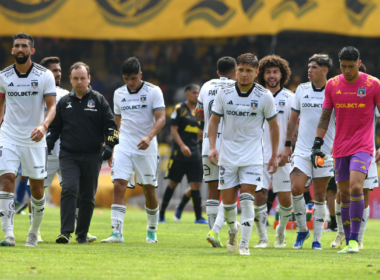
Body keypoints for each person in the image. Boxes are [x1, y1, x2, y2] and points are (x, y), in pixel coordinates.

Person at [208, 53, 279, 255]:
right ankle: (233, 229)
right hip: (227, 156)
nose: (244, 74)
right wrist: (213, 147)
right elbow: (213, 121)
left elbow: (274, 126)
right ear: (236, 71)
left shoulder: (264, 96)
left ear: (257, 72)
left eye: (249, 71)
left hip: (252, 157)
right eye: (241, 70)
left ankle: (244, 245)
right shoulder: (224, 92)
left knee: (248, 200)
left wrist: (274, 154)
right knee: (229, 206)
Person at [313, 50, 380, 253]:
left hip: (363, 147)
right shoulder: (332, 85)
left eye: (351, 66)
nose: (347, 70)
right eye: (343, 66)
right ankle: (347, 236)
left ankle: (354, 240)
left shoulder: (373, 84)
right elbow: (325, 116)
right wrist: (317, 142)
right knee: (343, 194)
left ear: (359, 63)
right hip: (340, 147)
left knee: (357, 187)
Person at [47, 62, 118, 244]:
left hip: (93, 155)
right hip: (69, 155)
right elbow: (55, 129)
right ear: (70, 80)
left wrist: (109, 147)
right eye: (76, 78)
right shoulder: (64, 103)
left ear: (89, 79)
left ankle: (82, 235)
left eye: (83, 78)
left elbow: (111, 127)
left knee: (87, 196)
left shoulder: (99, 100)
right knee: (69, 188)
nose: (79, 82)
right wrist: (47, 145)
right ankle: (65, 233)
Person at [0, 33, 57, 247]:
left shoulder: (44, 75)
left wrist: (44, 126)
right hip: (9, 135)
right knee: (6, 179)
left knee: (37, 189)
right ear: (13, 50)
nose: (20, 49)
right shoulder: (3, 76)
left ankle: (34, 232)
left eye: (25, 45)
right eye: (17, 46)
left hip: (35, 137)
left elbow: (52, 106)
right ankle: (8, 234)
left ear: (32, 50)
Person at [101, 57, 165, 244]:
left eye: (134, 78)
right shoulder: (118, 93)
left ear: (141, 75)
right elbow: (117, 123)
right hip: (124, 146)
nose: (130, 82)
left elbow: (161, 118)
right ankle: (117, 233)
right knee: (119, 185)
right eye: (126, 78)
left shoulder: (154, 91)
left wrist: (149, 136)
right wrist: (112, 147)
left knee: (148, 190)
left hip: (147, 147)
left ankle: (152, 231)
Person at [282, 54, 335, 250]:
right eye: (309, 66)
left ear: (324, 70)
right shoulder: (301, 89)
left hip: (324, 151)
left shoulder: (334, 89)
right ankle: (302, 230)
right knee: (296, 188)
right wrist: (288, 145)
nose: (309, 70)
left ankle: (317, 240)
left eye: (314, 67)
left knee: (320, 195)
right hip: (302, 150)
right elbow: (292, 119)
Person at [195, 56, 237, 247]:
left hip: (208, 144)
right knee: (231, 190)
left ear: (217, 71)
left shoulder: (205, 86)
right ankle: (220, 230)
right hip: (230, 146)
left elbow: (198, 113)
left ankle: (213, 231)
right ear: (235, 71)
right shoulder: (238, 87)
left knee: (212, 189)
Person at [253, 55, 294, 249]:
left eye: (275, 72)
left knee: (285, 200)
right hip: (258, 155)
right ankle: (262, 238)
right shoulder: (257, 95)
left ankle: (281, 230)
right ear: (262, 74)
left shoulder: (291, 98)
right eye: (268, 72)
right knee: (259, 196)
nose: (271, 75)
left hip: (282, 157)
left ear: (282, 74)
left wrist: (289, 149)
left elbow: (295, 128)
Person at [160, 84, 206, 224]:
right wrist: (182, 145)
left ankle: (197, 217)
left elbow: (202, 132)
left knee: (195, 185)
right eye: (194, 93)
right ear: (186, 94)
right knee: (173, 183)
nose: (197, 95)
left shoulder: (200, 112)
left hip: (195, 153)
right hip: (179, 154)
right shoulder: (179, 109)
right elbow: (173, 130)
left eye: (198, 93)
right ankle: (161, 214)